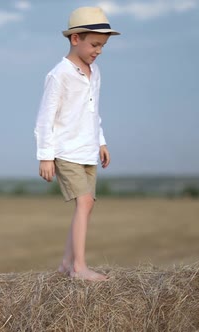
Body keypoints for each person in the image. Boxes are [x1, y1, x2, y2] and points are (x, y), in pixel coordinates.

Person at [34, 7, 120, 281]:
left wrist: (101, 141)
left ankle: (66, 264)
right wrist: (46, 157)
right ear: (75, 39)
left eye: (103, 46)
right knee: (83, 202)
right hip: (66, 151)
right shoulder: (59, 75)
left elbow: (92, 111)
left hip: (87, 150)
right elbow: (45, 119)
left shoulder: (95, 73)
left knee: (88, 204)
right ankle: (79, 268)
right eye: (95, 44)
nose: (99, 51)